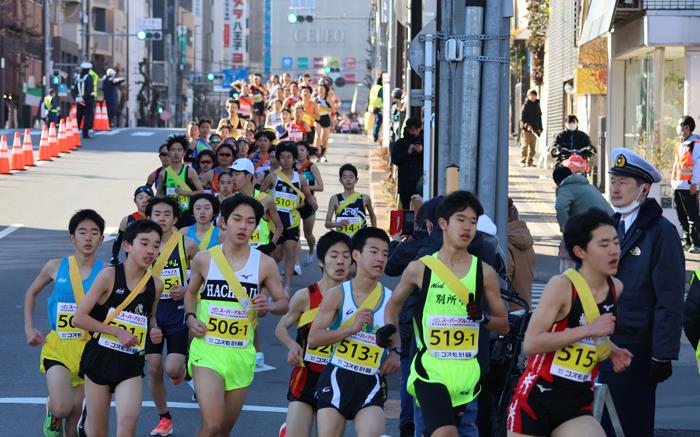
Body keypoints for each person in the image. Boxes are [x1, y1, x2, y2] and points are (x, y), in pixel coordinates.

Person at [380, 191, 510, 437]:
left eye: (473, 222)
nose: (467, 227)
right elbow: (393, 305)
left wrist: (483, 318)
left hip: (466, 377)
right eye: (461, 220)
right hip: (430, 372)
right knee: (445, 433)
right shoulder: (420, 268)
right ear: (443, 223)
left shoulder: (484, 272)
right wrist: (392, 338)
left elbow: (503, 326)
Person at [507, 208, 632, 437]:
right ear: (580, 251)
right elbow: (532, 343)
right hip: (536, 400)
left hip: (577, 400)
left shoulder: (616, 288)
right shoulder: (561, 286)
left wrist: (611, 350)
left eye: (616, 242)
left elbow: (587, 336)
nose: (614, 251)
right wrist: (589, 330)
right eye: (604, 245)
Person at [184, 194, 289, 436]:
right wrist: (190, 318)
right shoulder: (205, 259)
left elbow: (284, 303)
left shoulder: (264, 264)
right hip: (207, 350)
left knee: (222, 430)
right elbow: (190, 293)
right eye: (237, 219)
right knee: (211, 425)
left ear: (256, 226)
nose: (243, 226)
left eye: (250, 221)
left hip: (241, 353)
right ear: (223, 222)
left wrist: (269, 306)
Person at [598, 147, 685, 437]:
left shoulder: (661, 233)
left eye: (623, 182)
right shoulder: (608, 227)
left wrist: (662, 355)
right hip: (601, 343)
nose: (615, 188)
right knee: (600, 425)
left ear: (644, 189)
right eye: (613, 181)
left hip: (636, 349)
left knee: (629, 424)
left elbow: (669, 298)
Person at [73, 219, 164, 437]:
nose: (151, 250)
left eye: (156, 245)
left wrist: (154, 329)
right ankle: (86, 421)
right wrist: (117, 331)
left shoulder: (156, 285)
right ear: (127, 246)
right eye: (144, 243)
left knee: (127, 425)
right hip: (99, 360)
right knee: (98, 432)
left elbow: (150, 318)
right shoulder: (109, 276)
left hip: (130, 363)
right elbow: (79, 318)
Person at [308, 227, 399, 437]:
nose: (380, 259)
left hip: (371, 380)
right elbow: (314, 339)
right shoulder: (337, 294)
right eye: (374, 252)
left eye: (385, 254)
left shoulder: (390, 299)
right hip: (337, 378)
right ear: (356, 255)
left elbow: (395, 337)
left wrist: (396, 354)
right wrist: (351, 329)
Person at [24, 210, 106, 437]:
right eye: (82, 232)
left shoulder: (107, 272)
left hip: (90, 352)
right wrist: (29, 328)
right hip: (58, 348)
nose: (88, 238)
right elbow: (31, 292)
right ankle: (51, 412)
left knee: (74, 421)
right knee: (62, 407)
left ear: (101, 238)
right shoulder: (55, 266)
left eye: (94, 233)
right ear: (72, 238)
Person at [275, 231, 352, 437]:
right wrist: (292, 345)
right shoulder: (305, 296)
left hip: (339, 377)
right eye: (334, 256)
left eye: (346, 256)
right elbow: (280, 328)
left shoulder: (357, 298)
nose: (340, 262)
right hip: (306, 374)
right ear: (321, 260)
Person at [145, 197, 199, 436]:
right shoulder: (142, 244)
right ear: (149, 217)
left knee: (173, 369)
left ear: (176, 219)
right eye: (157, 214)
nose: (162, 219)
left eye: (167, 214)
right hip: (151, 313)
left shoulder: (187, 244)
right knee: (154, 367)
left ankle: (183, 372)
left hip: (176, 312)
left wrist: (187, 288)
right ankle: (164, 417)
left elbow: (205, 274)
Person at [260, 143, 315, 292]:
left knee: (291, 252)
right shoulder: (272, 177)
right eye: (282, 157)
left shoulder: (300, 179)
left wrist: (312, 204)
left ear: (294, 159)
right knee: (276, 257)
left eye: (289, 157)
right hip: (274, 222)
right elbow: (260, 194)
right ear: (278, 159)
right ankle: (270, 283)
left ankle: (287, 286)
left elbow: (309, 196)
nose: (285, 160)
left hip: (292, 221)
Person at [553, 166, 613, 272]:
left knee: (570, 262)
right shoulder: (588, 186)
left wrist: (566, 230)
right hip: (610, 227)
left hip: (592, 229)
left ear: (557, 182)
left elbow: (560, 207)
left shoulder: (566, 188)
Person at [230, 158, 284, 256]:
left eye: (237, 174)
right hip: (238, 250)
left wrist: (271, 245)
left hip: (260, 252)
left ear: (248, 176)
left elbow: (279, 226)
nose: (233, 178)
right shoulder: (231, 200)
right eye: (232, 174)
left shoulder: (266, 199)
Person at [156, 135, 204, 228]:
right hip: (169, 214)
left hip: (187, 214)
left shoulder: (190, 171)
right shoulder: (163, 174)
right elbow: (158, 194)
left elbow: (201, 192)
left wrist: (184, 193)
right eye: (173, 150)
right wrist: (166, 198)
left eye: (179, 150)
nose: (176, 153)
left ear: (184, 152)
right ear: (169, 152)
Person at [671, 115, 700, 253]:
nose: (679, 128)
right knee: (681, 215)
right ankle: (687, 241)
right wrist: (673, 182)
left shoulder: (696, 144)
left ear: (687, 127)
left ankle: (697, 243)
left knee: (692, 216)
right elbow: (677, 165)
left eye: (680, 125)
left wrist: (694, 183)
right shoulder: (681, 144)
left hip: (688, 186)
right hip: (678, 185)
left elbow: (697, 165)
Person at [325, 163, 377, 237]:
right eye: (345, 177)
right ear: (340, 180)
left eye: (351, 177)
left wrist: (374, 232)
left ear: (356, 180)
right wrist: (338, 224)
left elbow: (372, 215)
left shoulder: (365, 198)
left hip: (359, 239)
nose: (348, 180)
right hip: (342, 239)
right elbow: (327, 223)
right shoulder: (335, 199)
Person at [296, 141, 324, 266]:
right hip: (294, 204)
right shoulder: (290, 166)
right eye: (297, 150)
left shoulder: (311, 167)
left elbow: (320, 186)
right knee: (294, 235)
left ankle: (312, 250)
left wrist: (305, 187)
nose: (300, 153)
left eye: (302, 150)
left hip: (309, 203)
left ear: (307, 152)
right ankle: (295, 263)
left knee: (308, 234)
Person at [111, 186, 154, 265]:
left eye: (148, 197)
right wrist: (114, 257)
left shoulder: (156, 219)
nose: (144, 201)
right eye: (140, 198)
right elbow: (118, 241)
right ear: (135, 201)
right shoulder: (127, 220)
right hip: (132, 264)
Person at [506, 198, 536, 309]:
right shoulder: (527, 240)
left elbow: (504, 277)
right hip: (524, 303)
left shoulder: (506, 243)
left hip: (508, 307)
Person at [390, 117, 423, 209]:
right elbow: (395, 160)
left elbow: (431, 161)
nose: (415, 132)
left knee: (420, 211)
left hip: (420, 184)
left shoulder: (427, 142)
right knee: (407, 211)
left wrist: (421, 152)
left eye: (417, 129)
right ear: (408, 129)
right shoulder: (400, 143)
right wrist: (407, 153)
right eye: (412, 130)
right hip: (405, 185)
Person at [72, 62, 96, 139]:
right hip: (87, 100)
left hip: (79, 99)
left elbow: (73, 89)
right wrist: (84, 97)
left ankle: (75, 131)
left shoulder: (76, 78)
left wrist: (76, 97)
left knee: (79, 115)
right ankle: (85, 134)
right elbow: (89, 90)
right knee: (87, 116)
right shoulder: (89, 78)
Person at [520, 90, 542, 167]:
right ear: (528, 96)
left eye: (534, 95)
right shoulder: (525, 105)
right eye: (531, 95)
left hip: (535, 130)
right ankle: (523, 161)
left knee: (533, 147)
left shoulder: (537, 105)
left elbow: (539, 118)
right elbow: (522, 118)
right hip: (526, 130)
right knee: (525, 146)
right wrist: (527, 125)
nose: (533, 97)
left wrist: (540, 128)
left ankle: (530, 161)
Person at [314, 83, 335, 161]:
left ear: (325, 90)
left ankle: (323, 155)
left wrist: (323, 107)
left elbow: (333, 110)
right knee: (317, 137)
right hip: (317, 118)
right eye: (319, 89)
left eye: (323, 89)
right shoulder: (315, 99)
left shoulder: (327, 98)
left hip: (325, 117)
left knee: (324, 139)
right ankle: (317, 155)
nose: (321, 90)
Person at [369, 76, 383, 143]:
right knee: (378, 122)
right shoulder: (380, 88)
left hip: (373, 106)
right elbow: (378, 99)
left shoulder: (374, 87)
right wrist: (377, 107)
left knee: (376, 122)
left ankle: (375, 136)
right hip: (378, 107)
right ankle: (375, 137)